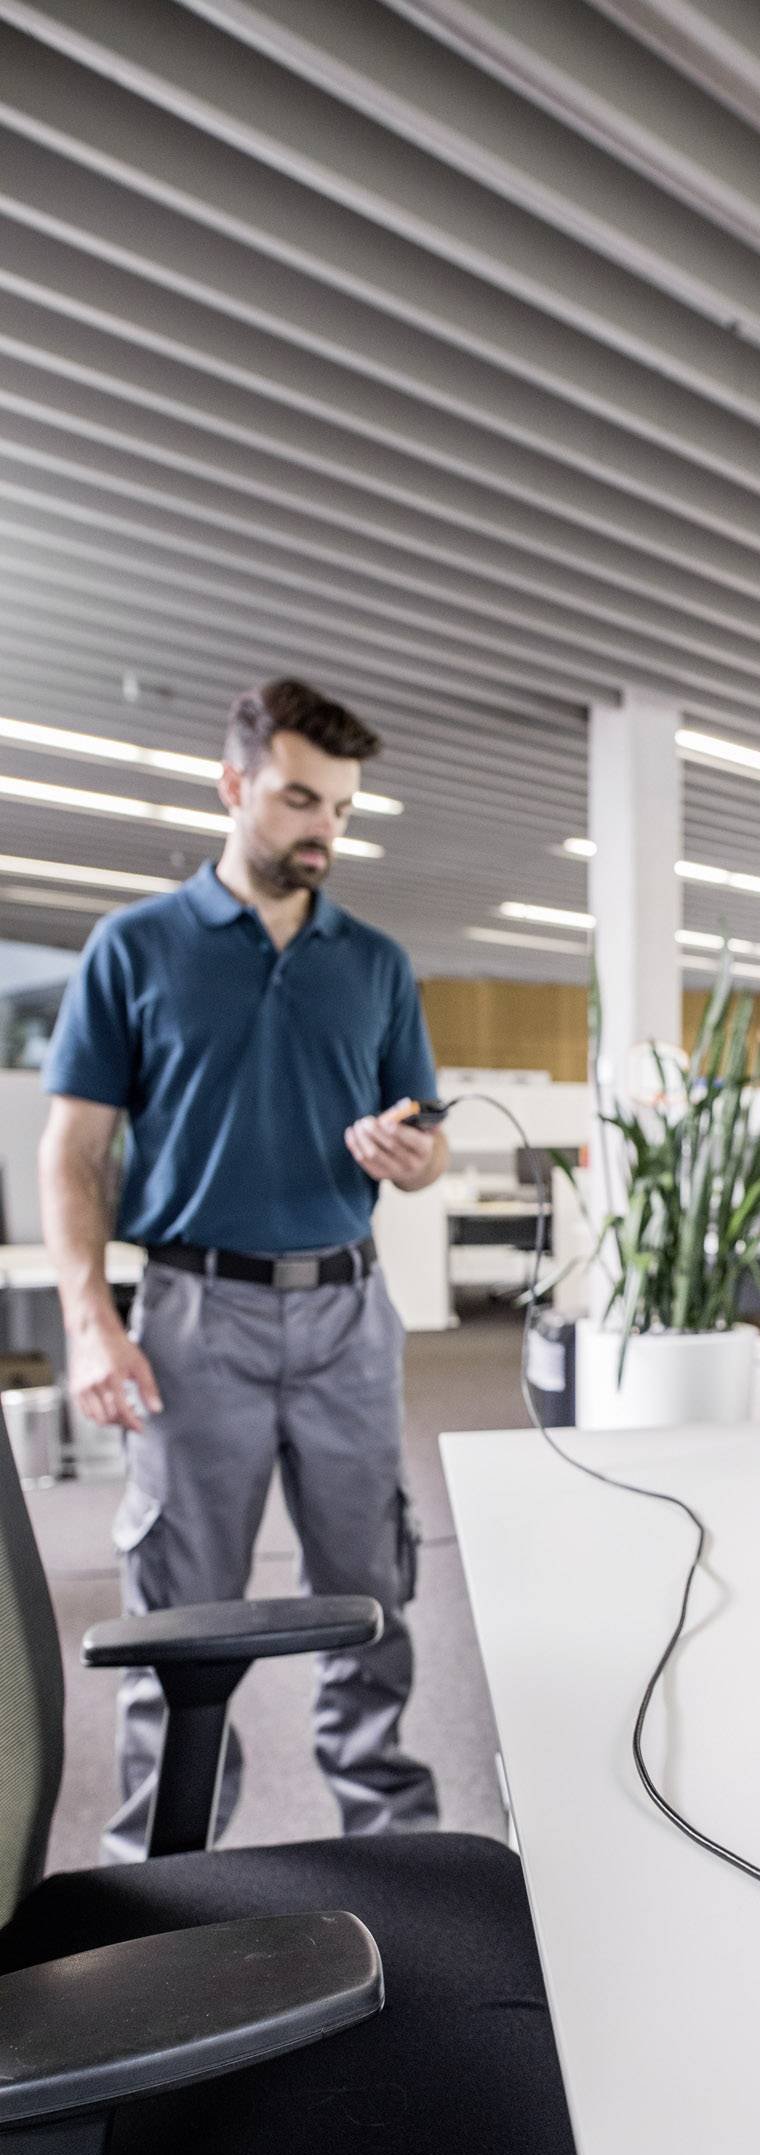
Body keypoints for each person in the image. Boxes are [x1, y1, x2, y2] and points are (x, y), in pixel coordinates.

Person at [40, 676, 447, 1861]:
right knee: (182, 1619)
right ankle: (160, 1876)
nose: (324, 830)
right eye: (298, 800)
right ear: (233, 787)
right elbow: (73, 1147)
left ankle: (396, 1852)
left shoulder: (373, 963)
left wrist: (412, 1156)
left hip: (349, 1314)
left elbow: (423, 1148)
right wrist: (87, 1319)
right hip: (190, 1316)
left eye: (342, 809)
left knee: (372, 1595)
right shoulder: (136, 948)